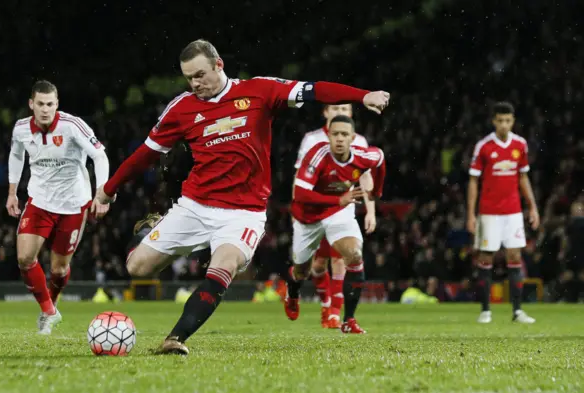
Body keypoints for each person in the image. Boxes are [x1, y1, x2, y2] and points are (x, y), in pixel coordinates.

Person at [95, 39, 390, 355]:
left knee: (224, 266)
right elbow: (145, 154)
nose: (195, 84)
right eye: (189, 78)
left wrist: (362, 96)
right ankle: (153, 230)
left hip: (243, 214)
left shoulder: (260, 91)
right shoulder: (181, 108)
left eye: (200, 75)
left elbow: (316, 89)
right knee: (137, 268)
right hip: (194, 206)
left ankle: (174, 339)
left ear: (219, 64)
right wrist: (108, 190)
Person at [7, 80, 110, 334]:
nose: (45, 109)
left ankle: (52, 302)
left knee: (58, 269)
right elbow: (16, 155)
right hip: (39, 201)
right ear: (31, 104)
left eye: (50, 104)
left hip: (73, 204)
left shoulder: (72, 126)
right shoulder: (21, 129)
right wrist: (12, 192)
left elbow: (100, 156)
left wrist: (102, 193)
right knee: (24, 258)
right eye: (40, 104)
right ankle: (49, 311)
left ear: (57, 104)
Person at [285, 115, 385, 334]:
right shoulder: (317, 155)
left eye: (344, 135)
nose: (339, 139)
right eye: (335, 134)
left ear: (353, 138)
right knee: (302, 271)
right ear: (328, 135)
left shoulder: (362, 156)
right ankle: (292, 292)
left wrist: (376, 192)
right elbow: (301, 194)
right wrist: (338, 199)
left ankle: (348, 320)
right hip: (308, 217)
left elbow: (380, 160)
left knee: (354, 255)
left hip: (338, 214)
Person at [294, 104, 368, 329]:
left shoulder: (361, 143)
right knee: (316, 266)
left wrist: (370, 211)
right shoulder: (311, 140)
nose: (339, 112)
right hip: (315, 211)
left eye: (344, 108)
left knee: (342, 257)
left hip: (342, 211)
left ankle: (337, 312)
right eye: (335, 108)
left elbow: (367, 179)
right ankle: (325, 301)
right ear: (325, 112)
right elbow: (300, 179)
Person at [466, 102, 539, 324]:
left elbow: (523, 177)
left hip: (513, 211)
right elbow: (473, 180)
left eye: (508, 121)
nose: (504, 125)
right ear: (494, 121)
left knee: (515, 256)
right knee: (486, 257)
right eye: (500, 120)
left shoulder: (520, 144)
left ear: (513, 121)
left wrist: (532, 207)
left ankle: (517, 311)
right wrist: (471, 214)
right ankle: (485, 310)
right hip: (489, 212)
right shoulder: (484, 146)